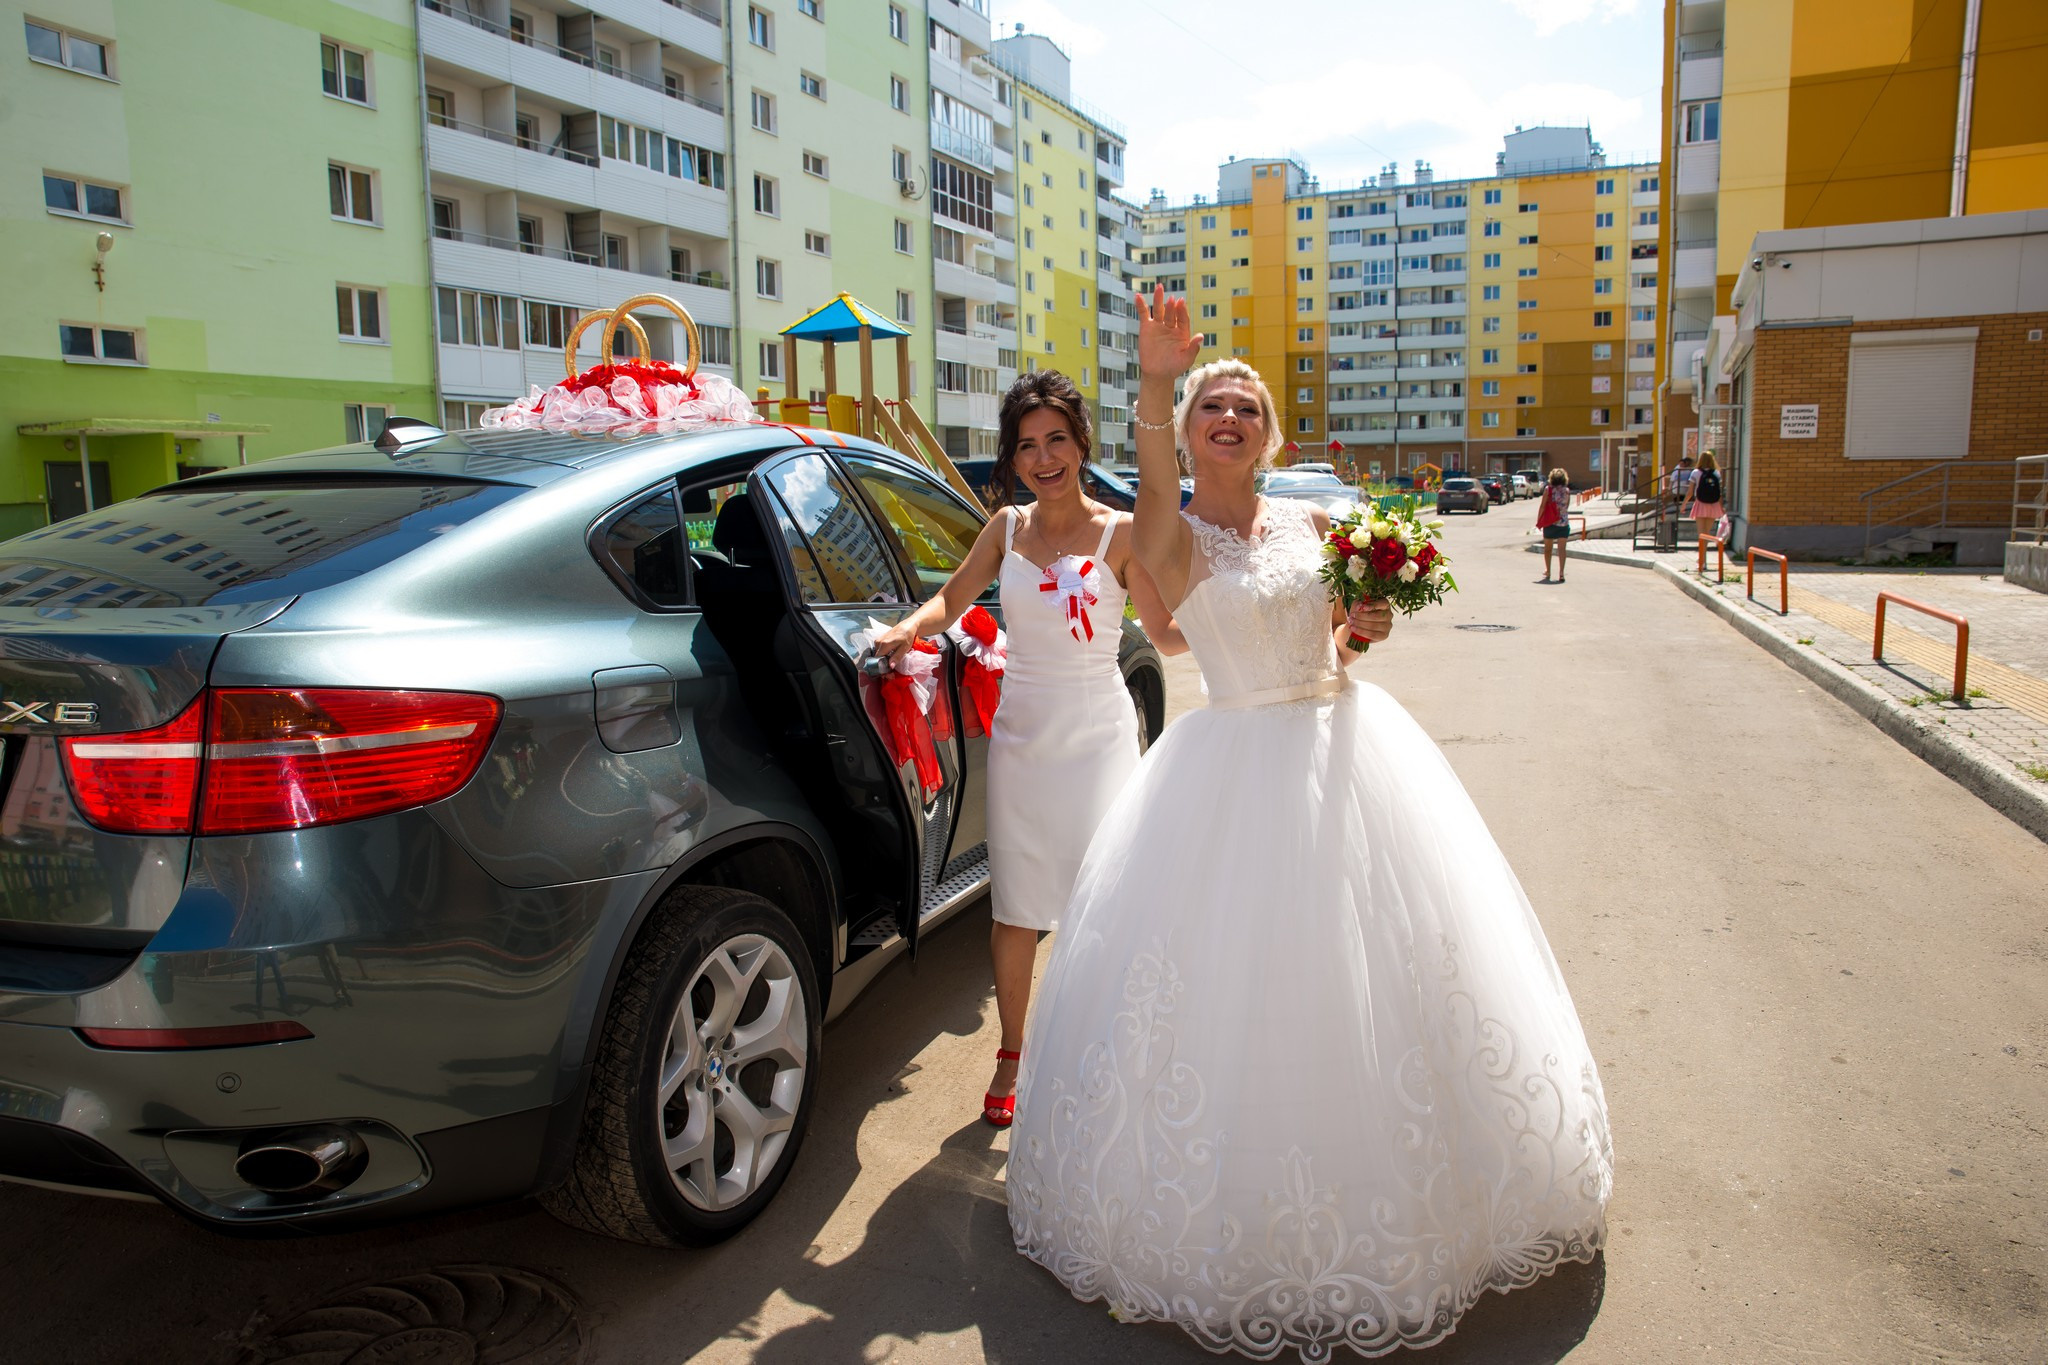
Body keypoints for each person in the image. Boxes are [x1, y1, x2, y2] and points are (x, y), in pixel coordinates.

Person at [1007, 286, 1613, 1360]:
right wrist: (1156, 374)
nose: (1227, 418)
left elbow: (1344, 633)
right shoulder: (1168, 532)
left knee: (1387, 977)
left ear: (1269, 431)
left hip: (1351, 753)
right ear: (1189, 434)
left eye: (1243, 406)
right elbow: (1149, 479)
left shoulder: (1320, 523)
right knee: (1249, 991)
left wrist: (1365, 624)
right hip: (1230, 770)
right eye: (1209, 408)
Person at [870, 370, 1184, 1131]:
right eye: (1027, 446)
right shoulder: (1005, 528)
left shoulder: (1119, 533)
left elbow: (1168, 633)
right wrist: (912, 628)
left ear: (1081, 445)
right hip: (1020, 742)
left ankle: (1095, 1051)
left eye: (1057, 441)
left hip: (1100, 743)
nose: (1044, 458)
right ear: (1012, 458)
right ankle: (1013, 1050)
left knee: (1097, 908)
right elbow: (952, 598)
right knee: (1015, 910)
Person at [1536, 467, 1574, 582]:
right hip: (1563, 523)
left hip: (1550, 523)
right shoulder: (1567, 491)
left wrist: (1539, 520)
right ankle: (1561, 573)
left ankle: (1548, 571)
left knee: (1548, 549)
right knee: (1562, 549)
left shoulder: (1548, 489)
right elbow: (1566, 506)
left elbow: (1543, 506)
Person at [1690, 450, 1726, 543]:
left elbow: (1690, 492)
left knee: (1701, 533)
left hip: (1700, 503)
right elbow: (1719, 492)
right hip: (1714, 504)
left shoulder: (1695, 472)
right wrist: (1721, 507)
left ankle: (1702, 556)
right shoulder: (1717, 473)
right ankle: (1703, 555)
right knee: (1707, 532)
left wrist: (1684, 504)